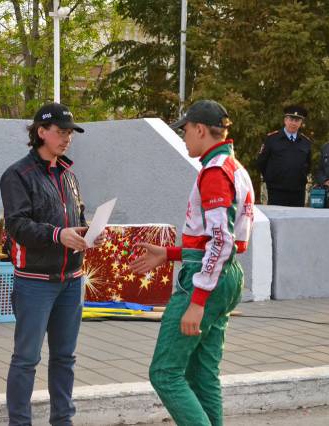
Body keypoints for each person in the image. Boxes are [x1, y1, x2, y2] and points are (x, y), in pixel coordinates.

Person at [131, 100, 254, 426]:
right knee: (202, 373)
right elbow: (222, 240)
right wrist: (169, 253)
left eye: (185, 130)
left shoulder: (214, 172)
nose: (183, 136)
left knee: (164, 372)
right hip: (226, 276)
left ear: (200, 129)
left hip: (207, 279)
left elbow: (220, 240)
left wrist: (197, 301)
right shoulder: (235, 167)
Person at [0, 102, 105, 426]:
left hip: (72, 280)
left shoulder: (69, 175)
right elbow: (17, 226)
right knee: (26, 359)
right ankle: (20, 422)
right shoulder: (17, 175)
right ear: (41, 132)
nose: (67, 138)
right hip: (35, 282)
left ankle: (63, 420)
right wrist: (58, 235)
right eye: (61, 132)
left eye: (70, 133)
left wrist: (89, 233)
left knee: (64, 358)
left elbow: (76, 218)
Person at [256, 105, 312, 206]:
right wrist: (271, 179)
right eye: (291, 119)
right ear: (285, 120)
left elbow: (308, 165)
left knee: (297, 216)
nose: (293, 123)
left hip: (298, 191)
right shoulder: (272, 139)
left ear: (301, 123)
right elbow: (261, 162)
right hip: (276, 190)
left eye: (297, 120)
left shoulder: (305, 142)